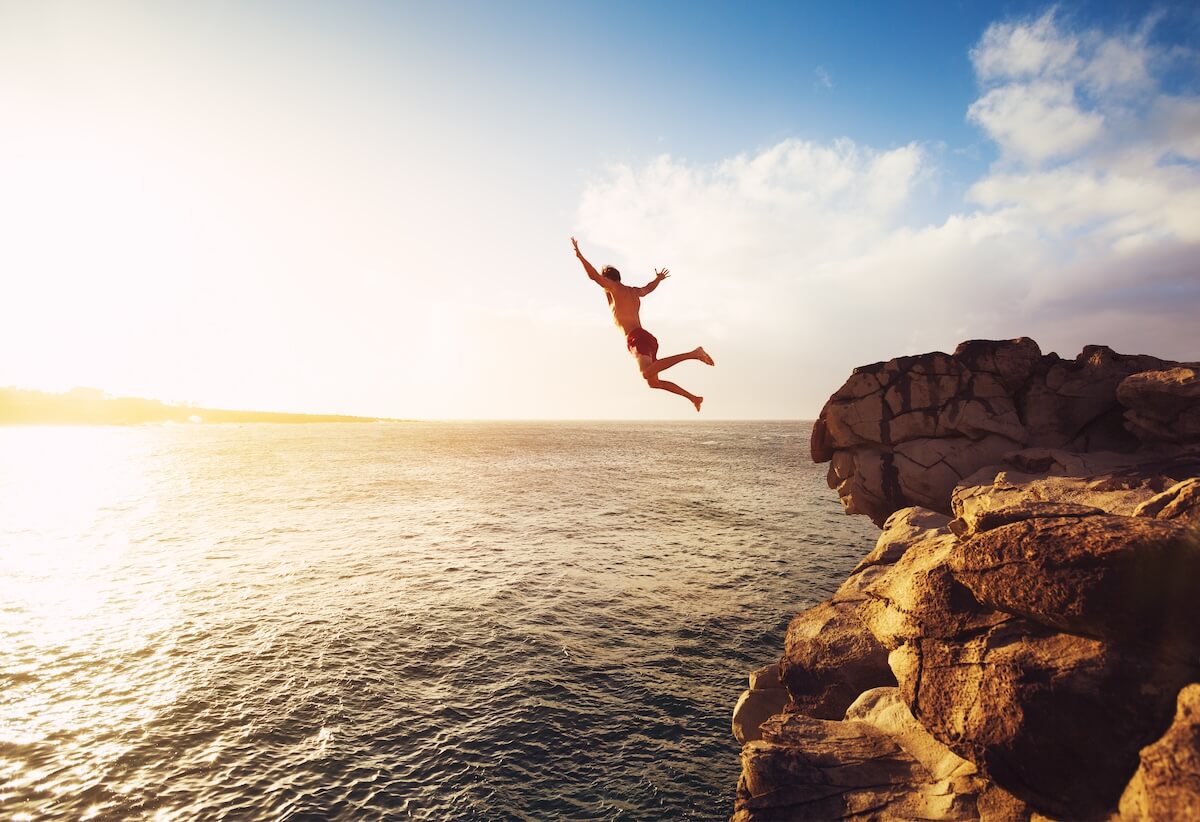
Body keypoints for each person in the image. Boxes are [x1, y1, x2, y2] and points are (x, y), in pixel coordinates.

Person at [571, 237, 714, 412]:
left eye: (604, 281)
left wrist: (579, 256)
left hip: (636, 337)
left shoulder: (615, 289)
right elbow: (647, 288)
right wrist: (658, 279)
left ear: (608, 280)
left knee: (646, 373)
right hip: (646, 337)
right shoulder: (633, 292)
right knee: (653, 383)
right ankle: (694, 398)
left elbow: (593, 276)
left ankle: (693, 353)